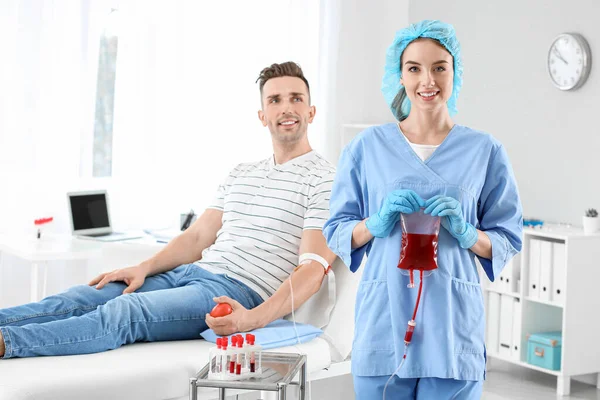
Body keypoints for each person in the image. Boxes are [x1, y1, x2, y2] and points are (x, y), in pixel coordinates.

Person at [0, 61, 337, 359]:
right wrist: (144, 267)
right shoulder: (241, 172)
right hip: (189, 274)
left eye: (296, 98)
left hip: (235, 289)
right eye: (274, 100)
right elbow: (197, 237)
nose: (286, 108)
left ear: (311, 111)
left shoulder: (325, 179)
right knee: (83, 295)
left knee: (125, 312)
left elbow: (312, 269)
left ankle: (7, 343)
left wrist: (254, 317)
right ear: (262, 116)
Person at [323, 20, 522, 399]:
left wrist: (466, 231)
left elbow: (507, 238)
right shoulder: (367, 148)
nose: (426, 80)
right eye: (414, 68)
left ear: (454, 71)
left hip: (452, 329)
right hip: (384, 324)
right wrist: (375, 223)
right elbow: (336, 230)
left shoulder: (485, 151)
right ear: (399, 74)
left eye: (439, 67)